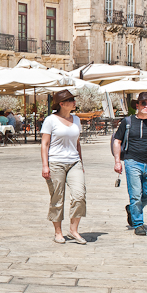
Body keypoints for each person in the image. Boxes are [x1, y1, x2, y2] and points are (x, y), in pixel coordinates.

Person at [112, 91, 147, 236]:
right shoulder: (128, 121)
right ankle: (138, 224)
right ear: (137, 105)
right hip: (132, 162)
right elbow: (117, 141)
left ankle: (132, 209)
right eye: (143, 103)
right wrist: (117, 161)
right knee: (136, 195)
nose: (146, 106)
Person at [41, 90, 87, 244]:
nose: (74, 102)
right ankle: (58, 232)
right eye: (71, 100)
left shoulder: (77, 120)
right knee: (57, 198)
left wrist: (81, 162)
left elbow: (77, 143)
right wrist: (45, 165)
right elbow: (44, 144)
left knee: (79, 195)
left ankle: (74, 230)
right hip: (55, 163)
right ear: (61, 104)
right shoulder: (50, 120)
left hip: (74, 162)